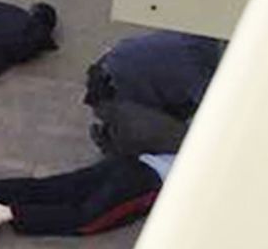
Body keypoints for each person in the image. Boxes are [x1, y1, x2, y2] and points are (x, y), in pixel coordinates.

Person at [0, 153, 173, 245]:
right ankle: (4, 213)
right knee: (86, 219)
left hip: (138, 161)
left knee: (58, 187)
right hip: (149, 183)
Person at [84, 30, 224, 156]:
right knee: (191, 144)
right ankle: (117, 139)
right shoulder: (194, 68)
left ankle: (120, 131)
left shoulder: (206, 38)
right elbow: (219, 114)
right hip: (113, 94)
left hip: (120, 79)